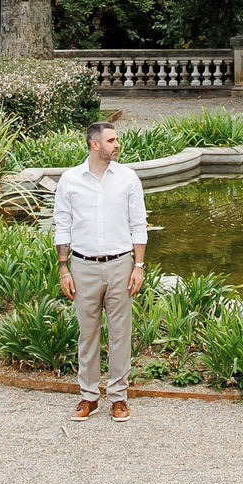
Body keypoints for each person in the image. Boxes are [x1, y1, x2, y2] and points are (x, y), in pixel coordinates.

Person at [54, 119, 146, 422]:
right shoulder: (69, 180)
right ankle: (89, 397)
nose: (117, 145)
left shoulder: (128, 178)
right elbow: (62, 226)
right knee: (88, 334)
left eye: (116, 140)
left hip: (120, 265)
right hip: (82, 266)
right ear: (95, 144)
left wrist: (138, 266)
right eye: (111, 140)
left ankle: (119, 398)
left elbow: (139, 224)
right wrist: (64, 270)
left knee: (120, 333)